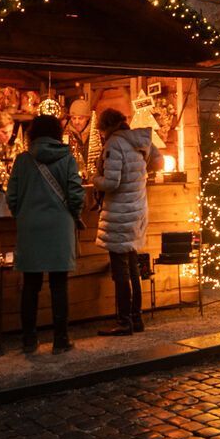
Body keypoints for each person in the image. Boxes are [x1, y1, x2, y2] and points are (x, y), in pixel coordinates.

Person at [7, 114, 85, 354]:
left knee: (30, 284)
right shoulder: (67, 158)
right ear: (56, 134)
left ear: (32, 134)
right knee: (58, 284)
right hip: (59, 226)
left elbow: (11, 196)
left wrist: (24, 213)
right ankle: (61, 340)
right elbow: (75, 192)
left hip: (31, 227)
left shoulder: (22, 160)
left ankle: (29, 340)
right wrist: (74, 213)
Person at [94, 107, 161, 336]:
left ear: (106, 127)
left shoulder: (114, 143)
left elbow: (111, 183)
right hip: (138, 209)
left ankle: (124, 322)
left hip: (120, 213)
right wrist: (139, 176)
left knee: (120, 270)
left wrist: (96, 180)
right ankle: (136, 317)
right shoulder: (140, 141)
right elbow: (159, 163)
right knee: (133, 266)